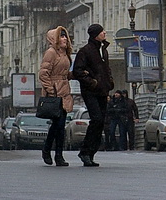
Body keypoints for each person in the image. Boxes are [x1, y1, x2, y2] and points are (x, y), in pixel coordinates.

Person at [72, 23, 114, 167]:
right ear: (96, 34)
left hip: (102, 91)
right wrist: (92, 83)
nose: (105, 33)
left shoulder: (103, 50)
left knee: (101, 121)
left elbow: (106, 69)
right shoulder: (85, 51)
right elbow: (78, 71)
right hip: (90, 91)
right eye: (102, 32)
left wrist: (110, 82)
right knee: (96, 119)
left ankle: (90, 153)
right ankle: (85, 152)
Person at [39, 25, 74, 167]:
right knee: (57, 124)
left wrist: (76, 74)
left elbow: (64, 73)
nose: (64, 39)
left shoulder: (65, 54)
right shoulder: (51, 52)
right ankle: (47, 150)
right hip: (54, 92)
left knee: (60, 125)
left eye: (65, 36)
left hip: (64, 91)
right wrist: (51, 90)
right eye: (61, 36)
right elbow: (43, 73)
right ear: (55, 38)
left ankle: (59, 155)